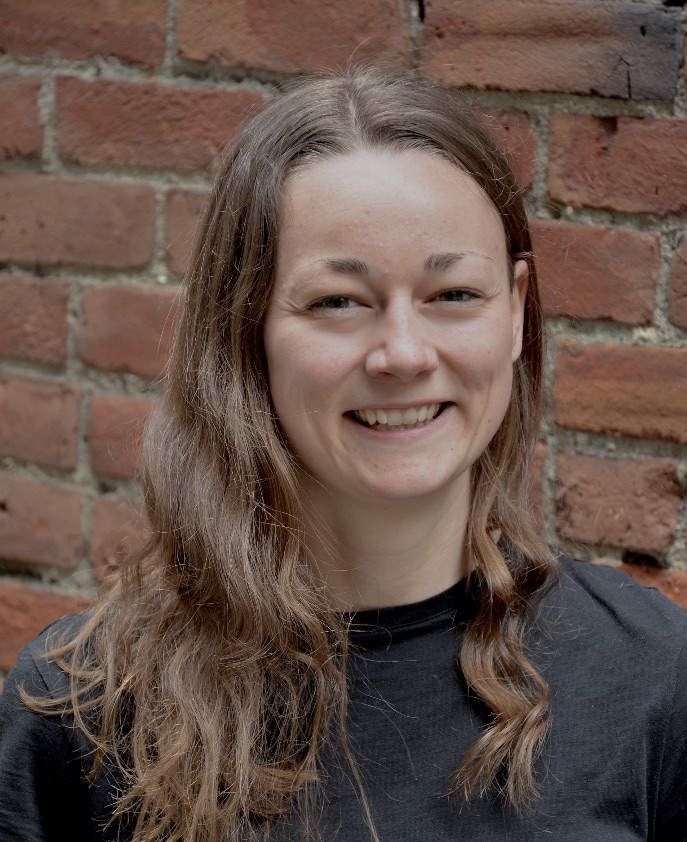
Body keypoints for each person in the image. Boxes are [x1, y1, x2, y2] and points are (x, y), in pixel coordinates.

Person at [1, 68, 686, 842]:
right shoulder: (80, 707)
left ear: (516, 309)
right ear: (247, 329)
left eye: (453, 294)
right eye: (337, 302)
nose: (401, 353)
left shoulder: (653, 677)